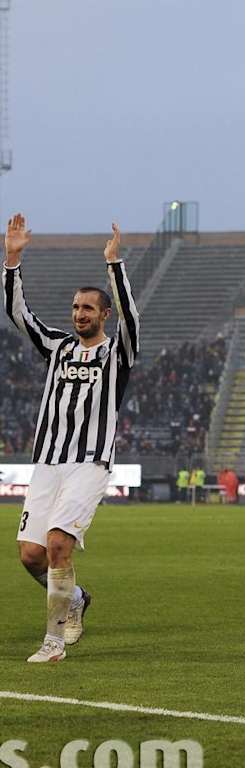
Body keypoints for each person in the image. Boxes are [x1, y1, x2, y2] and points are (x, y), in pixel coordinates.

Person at [2, 215, 139, 663]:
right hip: (46, 462)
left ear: (105, 315)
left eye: (89, 308)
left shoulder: (119, 352)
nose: (80, 314)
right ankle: (76, 598)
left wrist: (113, 265)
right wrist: (13, 259)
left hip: (89, 463)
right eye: (76, 307)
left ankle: (54, 641)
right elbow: (18, 314)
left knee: (59, 543)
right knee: (30, 555)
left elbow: (132, 316)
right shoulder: (58, 347)